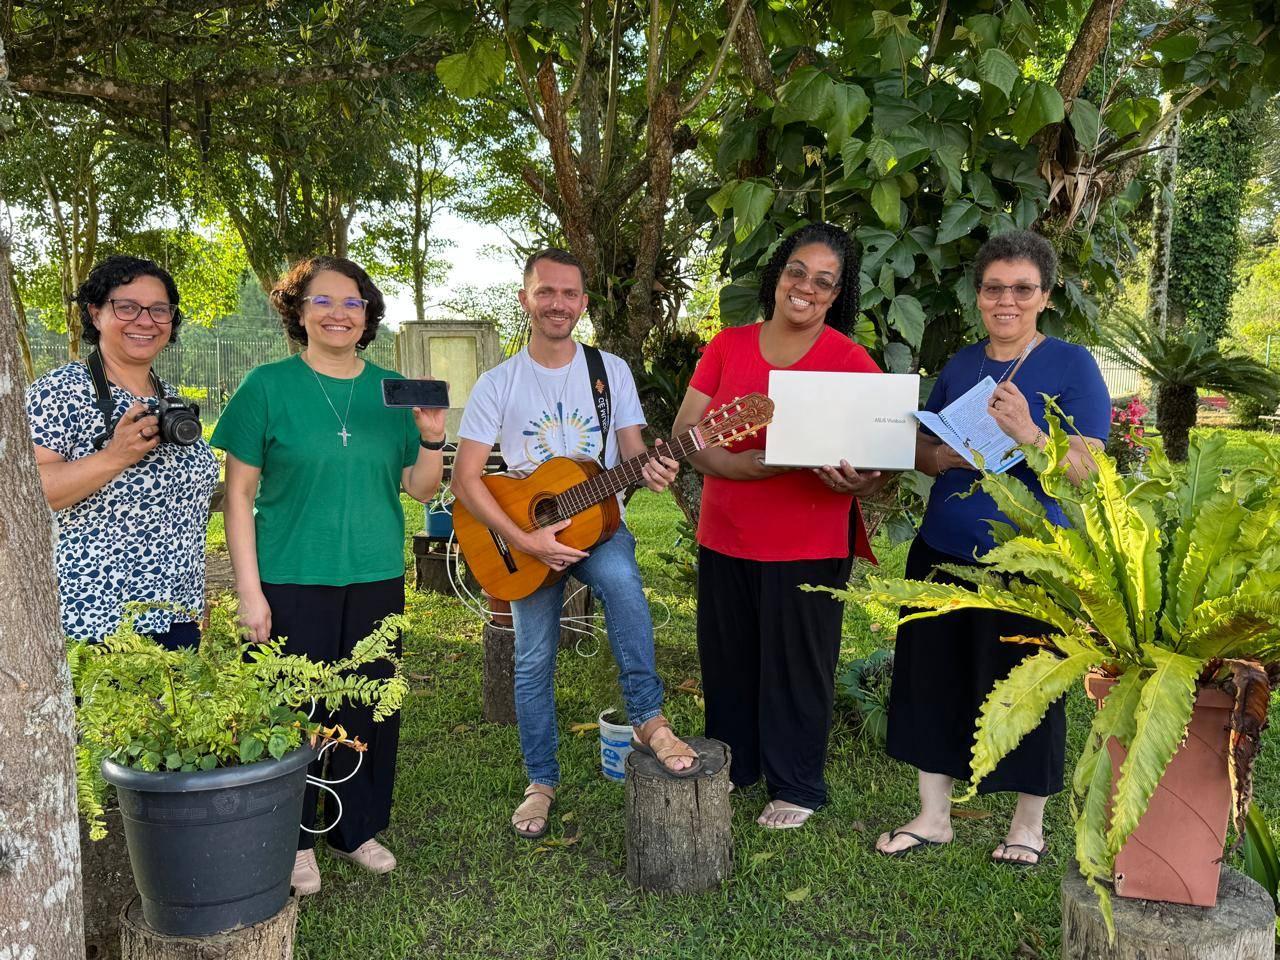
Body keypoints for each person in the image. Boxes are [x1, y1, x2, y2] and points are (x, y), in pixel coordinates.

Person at [212, 255, 445, 895]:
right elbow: (239, 496)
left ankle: (354, 827)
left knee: (367, 707)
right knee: (291, 710)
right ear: (298, 310)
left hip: (374, 576)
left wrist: (431, 438)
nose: (338, 313)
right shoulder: (266, 387)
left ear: (368, 316)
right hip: (289, 576)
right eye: (322, 300)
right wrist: (249, 591)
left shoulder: (394, 390)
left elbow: (421, 488)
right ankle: (293, 839)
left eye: (352, 302)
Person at [876, 230, 1110, 865]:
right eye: (994, 288)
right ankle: (933, 817)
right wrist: (940, 456)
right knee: (932, 680)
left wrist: (1029, 432)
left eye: (1022, 289)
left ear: (1046, 296)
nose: (1007, 300)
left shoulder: (1073, 366)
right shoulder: (960, 365)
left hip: (1030, 558)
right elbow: (925, 448)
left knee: (1027, 687)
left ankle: (1027, 827)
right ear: (977, 295)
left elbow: (1088, 471)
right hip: (942, 549)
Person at [451, 248, 696, 840]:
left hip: (598, 528)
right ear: (525, 299)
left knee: (624, 584)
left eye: (568, 293)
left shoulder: (609, 371)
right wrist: (525, 539)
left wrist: (654, 468)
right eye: (545, 292)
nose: (557, 303)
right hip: (519, 540)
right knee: (533, 659)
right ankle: (541, 781)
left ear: (583, 303)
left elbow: (633, 451)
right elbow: (465, 479)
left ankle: (649, 720)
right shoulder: (498, 382)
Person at [671, 222, 888, 829]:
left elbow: (881, 459)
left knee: (798, 665)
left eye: (824, 281)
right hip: (726, 533)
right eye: (797, 271)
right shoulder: (728, 345)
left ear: (836, 294)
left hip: (808, 540)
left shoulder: (850, 360)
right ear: (777, 275)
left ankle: (796, 784)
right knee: (728, 659)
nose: (806, 287)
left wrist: (860, 482)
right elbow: (687, 435)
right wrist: (741, 467)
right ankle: (735, 764)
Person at [25, 255, 218, 646]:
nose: (145, 321)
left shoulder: (169, 399)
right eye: (127, 307)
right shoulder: (59, 391)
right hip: (96, 622)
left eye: (159, 310)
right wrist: (113, 457)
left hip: (176, 614)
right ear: (96, 314)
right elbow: (32, 493)